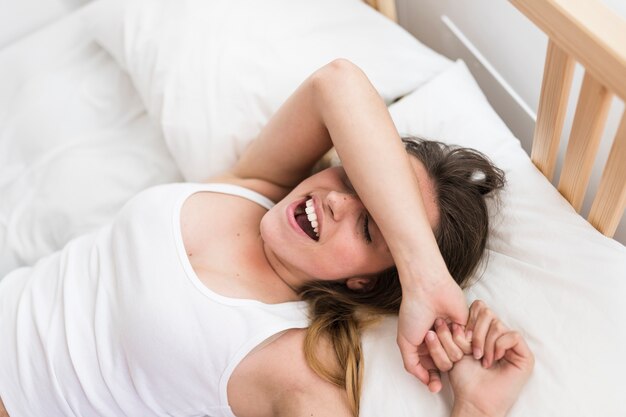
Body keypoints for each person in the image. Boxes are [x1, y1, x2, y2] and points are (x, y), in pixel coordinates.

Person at [0, 59, 532, 417]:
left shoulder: (294, 363)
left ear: (367, 281)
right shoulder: (256, 190)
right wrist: (424, 273)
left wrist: (477, 410)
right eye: (351, 178)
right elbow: (338, 83)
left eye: (370, 226)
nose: (337, 201)